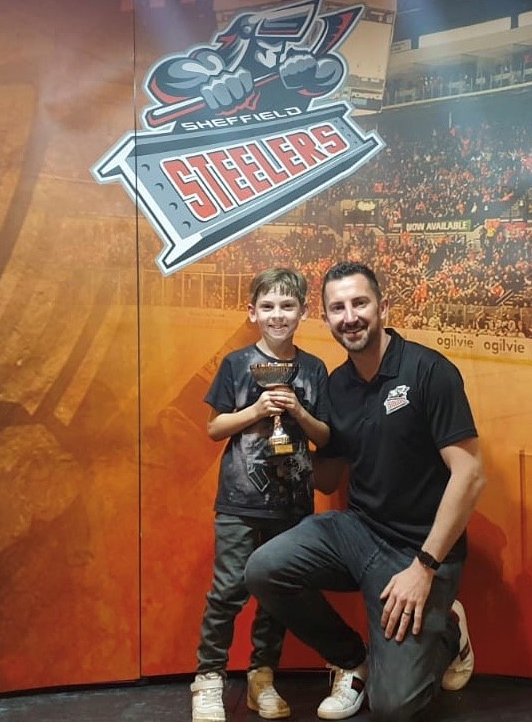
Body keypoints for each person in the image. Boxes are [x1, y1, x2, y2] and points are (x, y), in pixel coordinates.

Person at [245, 261, 486, 721]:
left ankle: (449, 629)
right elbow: (329, 478)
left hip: (419, 551)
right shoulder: (337, 385)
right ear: (327, 318)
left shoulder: (430, 371)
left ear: (382, 307)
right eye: (338, 308)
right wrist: (287, 439)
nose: (350, 316)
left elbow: (470, 475)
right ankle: (353, 660)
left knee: (394, 706)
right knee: (264, 568)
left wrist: (424, 567)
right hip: (359, 532)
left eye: (360, 303)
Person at [191, 268, 330, 722]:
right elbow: (214, 428)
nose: (277, 315)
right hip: (239, 502)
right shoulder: (235, 364)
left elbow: (325, 436)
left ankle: (261, 677)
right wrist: (256, 409)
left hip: (292, 504)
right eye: (268, 306)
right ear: (252, 312)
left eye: (287, 306)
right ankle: (209, 679)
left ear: (303, 312)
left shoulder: (314, 369)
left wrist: (298, 411)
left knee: (276, 594)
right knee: (228, 590)